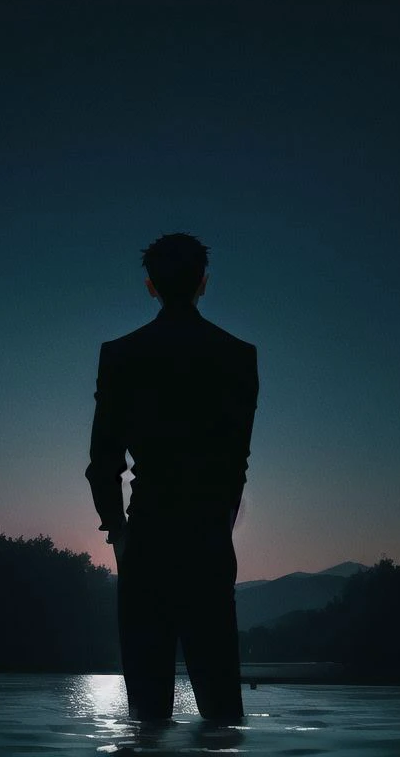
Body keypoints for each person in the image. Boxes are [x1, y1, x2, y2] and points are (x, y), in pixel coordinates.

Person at [85, 232, 259, 722]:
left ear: (150, 286)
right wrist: (218, 524)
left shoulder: (121, 355)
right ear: (204, 283)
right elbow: (235, 462)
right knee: (222, 710)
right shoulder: (237, 355)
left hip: (147, 535)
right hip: (205, 534)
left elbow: (103, 461)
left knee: (146, 714)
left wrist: (117, 531)